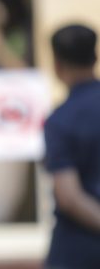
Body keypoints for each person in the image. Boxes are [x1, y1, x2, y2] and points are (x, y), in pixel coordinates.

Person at [44, 24, 100, 268]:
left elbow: (69, 196)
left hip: (79, 249)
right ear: (95, 57)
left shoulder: (61, 120)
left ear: (57, 64)